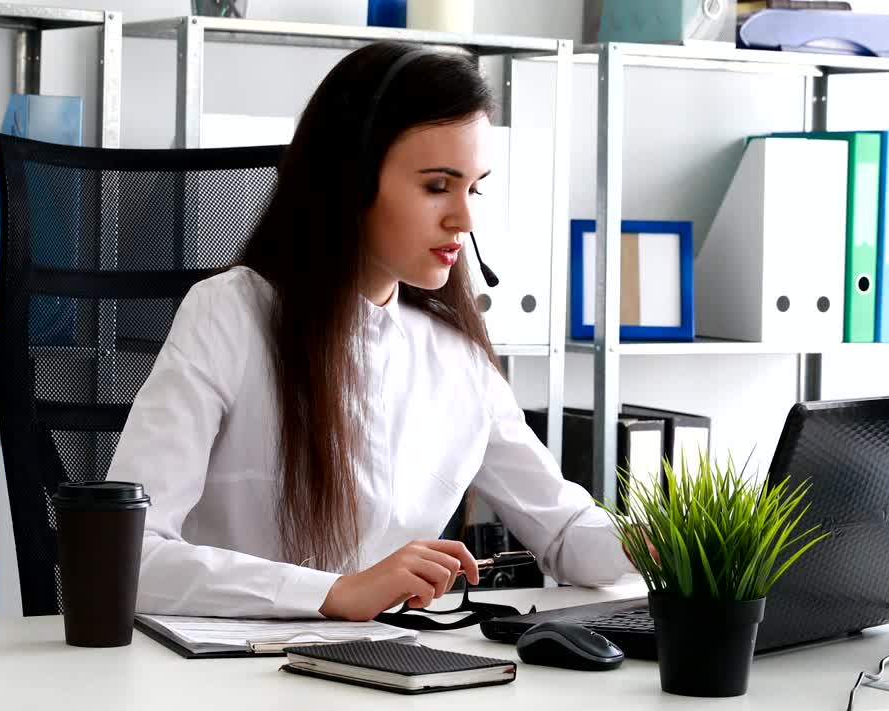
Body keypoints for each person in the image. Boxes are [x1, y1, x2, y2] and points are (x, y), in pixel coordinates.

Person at [107, 40, 636, 623]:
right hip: (230, 669)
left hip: (391, 663)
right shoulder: (229, 314)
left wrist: (672, 539)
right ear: (351, 180)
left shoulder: (458, 357)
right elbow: (126, 557)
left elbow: (566, 534)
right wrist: (333, 592)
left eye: (474, 188)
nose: (464, 219)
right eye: (437, 186)